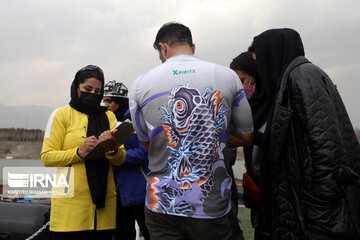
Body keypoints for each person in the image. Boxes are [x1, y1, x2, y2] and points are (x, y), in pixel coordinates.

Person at [129, 22, 253, 240]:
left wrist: (182, 139)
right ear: (192, 47)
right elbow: (246, 136)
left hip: (161, 206)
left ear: (162, 48)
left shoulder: (140, 84)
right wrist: (213, 137)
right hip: (211, 207)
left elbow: (147, 144)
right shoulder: (228, 76)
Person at [248, 28, 360, 239]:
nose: (259, 71)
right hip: (300, 212)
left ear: (273, 56)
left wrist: (319, 210)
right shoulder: (291, 79)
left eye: (260, 63)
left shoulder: (302, 77)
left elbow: (328, 150)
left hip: (312, 216)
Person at [41, 65, 126, 240]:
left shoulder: (109, 116)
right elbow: (47, 157)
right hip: (69, 210)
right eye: (87, 89)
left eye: (97, 91)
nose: (92, 94)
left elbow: (120, 160)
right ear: (76, 87)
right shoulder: (61, 115)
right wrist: (79, 152)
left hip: (104, 212)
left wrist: (112, 149)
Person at [103, 80, 150, 240]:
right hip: (117, 192)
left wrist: (115, 158)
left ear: (120, 101)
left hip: (139, 189)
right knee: (122, 234)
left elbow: (144, 151)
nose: (105, 104)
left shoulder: (134, 121)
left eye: (109, 101)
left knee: (148, 231)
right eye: (104, 100)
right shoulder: (107, 122)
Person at [230, 52, 264, 239]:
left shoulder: (269, 106)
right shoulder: (246, 109)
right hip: (257, 199)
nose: (240, 88)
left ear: (255, 76)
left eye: (242, 80)